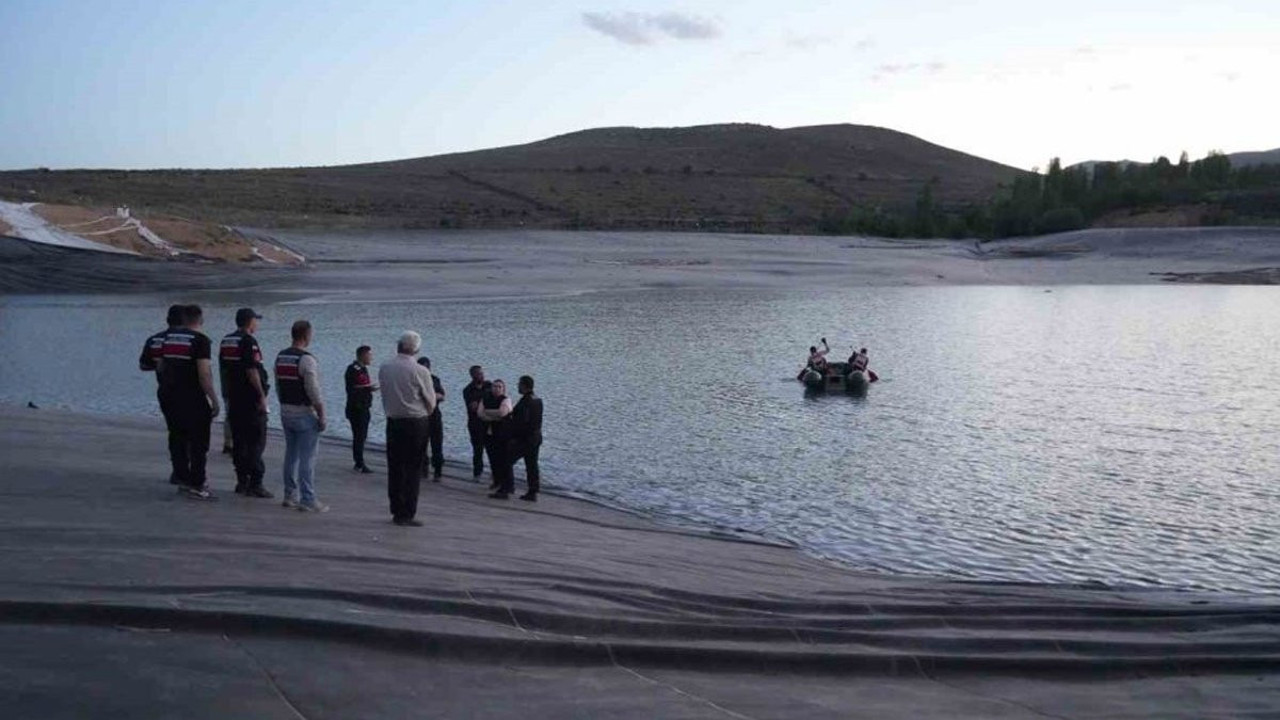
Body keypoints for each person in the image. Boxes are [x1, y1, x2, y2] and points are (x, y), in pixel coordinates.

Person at [157, 304, 220, 499]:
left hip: (170, 395)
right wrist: (214, 399)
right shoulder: (200, 340)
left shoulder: (167, 339)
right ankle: (198, 484)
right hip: (192, 396)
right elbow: (204, 374)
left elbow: (160, 366)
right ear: (200, 320)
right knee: (199, 443)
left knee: (178, 437)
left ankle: (183, 480)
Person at [378, 331, 436, 526]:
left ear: (399, 346)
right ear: (416, 349)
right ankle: (408, 512)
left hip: (393, 420)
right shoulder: (420, 371)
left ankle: (396, 509)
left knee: (395, 467)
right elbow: (431, 402)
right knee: (413, 469)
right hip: (415, 422)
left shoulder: (385, 367)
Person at [275, 320, 328, 513]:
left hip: (285, 410)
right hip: (303, 412)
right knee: (307, 458)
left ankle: (290, 494)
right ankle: (308, 498)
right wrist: (321, 414)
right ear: (306, 335)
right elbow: (313, 390)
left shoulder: (281, 356)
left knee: (291, 454)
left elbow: (278, 384)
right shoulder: (306, 360)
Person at [219, 308, 272, 498]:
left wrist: (226, 395)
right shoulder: (249, 341)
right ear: (249, 322)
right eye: (255, 320)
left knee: (239, 441)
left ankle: (242, 481)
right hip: (250, 400)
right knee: (256, 441)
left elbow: (224, 370)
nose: (257, 324)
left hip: (233, 398)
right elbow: (252, 370)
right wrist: (261, 396)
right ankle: (256, 482)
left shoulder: (226, 341)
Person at [139, 304, 183, 484]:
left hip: (164, 390)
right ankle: (186, 471)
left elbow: (143, 365)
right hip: (187, 391)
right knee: (191, 433)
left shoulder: (154, 340)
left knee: (174, 431)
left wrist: (157, 365)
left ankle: (177, 470)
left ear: (167, 320)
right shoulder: (190, 339)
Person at [476, 379, 514, 499]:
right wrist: (494, 415)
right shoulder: (486, 398)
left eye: (499, 387)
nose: (496, 389)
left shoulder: (506, 400)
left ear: (503, 389)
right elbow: (480, 413)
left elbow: (503, 413)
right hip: (489, 433)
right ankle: (496, 481)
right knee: (492, 459)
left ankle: (507, 486)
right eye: (494, 386)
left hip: (502, 434)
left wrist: (488, 413)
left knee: (503, 460)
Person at [344, 345, 379, 474]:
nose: (371, 357)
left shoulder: (361, 369)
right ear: (363, 355)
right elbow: (356, 387)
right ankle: (359, 462)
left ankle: (358, 460)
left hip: (361, 406)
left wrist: (368, 388)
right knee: (359, 435)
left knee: (360, 435)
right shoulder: (355, 369)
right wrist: (368, 388)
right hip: (357, 408)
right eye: (369, 355)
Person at [509, 375, 543, 502]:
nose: (517, 386)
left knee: (507, 460)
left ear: (524, 385)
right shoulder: (537, 399)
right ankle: (533, 490)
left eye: (519, 384)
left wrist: (513, 436)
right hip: (535, 437)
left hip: (525, 439)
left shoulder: (526, 402)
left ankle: (507, 487)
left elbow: (522, 422)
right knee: (532, 464)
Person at [416, 357, 446, 481]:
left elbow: (442, 396)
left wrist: (428, 396)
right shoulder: (415, 380)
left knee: (437, 443)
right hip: (420, 415)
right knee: (420, 444)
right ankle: (423, 468)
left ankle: (438, 471)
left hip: (434, 414)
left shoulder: (434, 380)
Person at [462, 366, 489, 479]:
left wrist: (481, 404)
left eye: (482, 373)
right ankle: (477, 473)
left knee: (492, 448)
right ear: (473, 376)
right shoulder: (468, 390)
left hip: (489, 422)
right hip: (475, 423)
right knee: (477, 449)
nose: (481, 376)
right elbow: (473, 407)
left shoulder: (489, 386)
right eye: (478, 374)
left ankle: (496, 474)